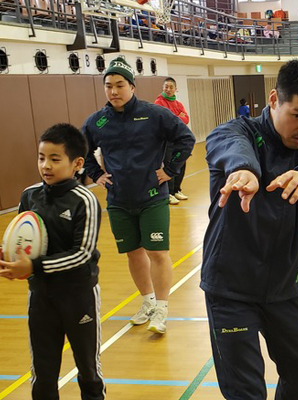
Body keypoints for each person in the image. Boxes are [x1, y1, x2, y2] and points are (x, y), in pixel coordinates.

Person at [201, 59, 298, 400]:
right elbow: (229, 147)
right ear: (275, 100)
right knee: (246, 391)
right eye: (297, 115)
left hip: (283, 287)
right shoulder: (236, 132)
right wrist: (245, 170)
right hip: (231, 289)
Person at [83, 57, 195, 335]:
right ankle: (147, 302)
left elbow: (186, 138)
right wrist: (96, 175)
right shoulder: (97, 121)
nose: (113, 91)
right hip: (118, 201)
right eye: (108, 86)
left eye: (120, 85)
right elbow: (81, 151)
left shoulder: (153, 114)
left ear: (131, 86)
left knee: (158, 252)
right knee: (133, 254)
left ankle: (162, 309)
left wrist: (169, 169)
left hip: (153, 196)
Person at [0, 124, 105, 400]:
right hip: (41, 297)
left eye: (55, 159)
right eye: (41, 157)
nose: (45, 165)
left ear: (77, 163)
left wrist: (34, 266)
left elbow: (82, 254)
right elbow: (21, 237)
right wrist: (7, 253)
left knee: (89, 370)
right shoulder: (30, 195)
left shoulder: (86, 201)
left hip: (78, 296)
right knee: (43, 372)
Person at [155, 77, 192, 205]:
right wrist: (178, 117)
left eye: (171, 87)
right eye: (166, 86)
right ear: (163, 87)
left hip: (179, 139)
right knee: (169, 165)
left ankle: (177, 189)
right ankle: (169, 193)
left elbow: (186, 119)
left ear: (175, 89)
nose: (168, 89)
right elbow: (166, 121)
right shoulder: (159, 103)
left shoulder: (179, 104)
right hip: (167, 141)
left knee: (181, 164)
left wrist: (174, 117)